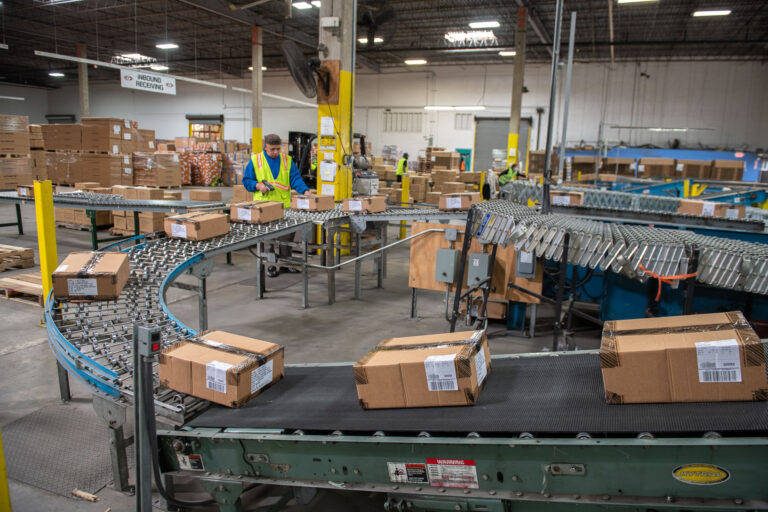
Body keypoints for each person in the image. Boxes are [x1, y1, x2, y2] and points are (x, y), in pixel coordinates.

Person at [243, 133, 310, 277]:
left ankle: (286, 263)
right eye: (272, 149)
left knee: (286, 237)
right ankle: (271, 265)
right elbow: (246, 180)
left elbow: (295, 178)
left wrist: (305, 191)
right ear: (265, 147)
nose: (276, 152)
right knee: (268, 238)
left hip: (284, 206)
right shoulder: (256, 160)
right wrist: (257, 185)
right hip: (264, 207)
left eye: (278, 149)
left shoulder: (287, 160)